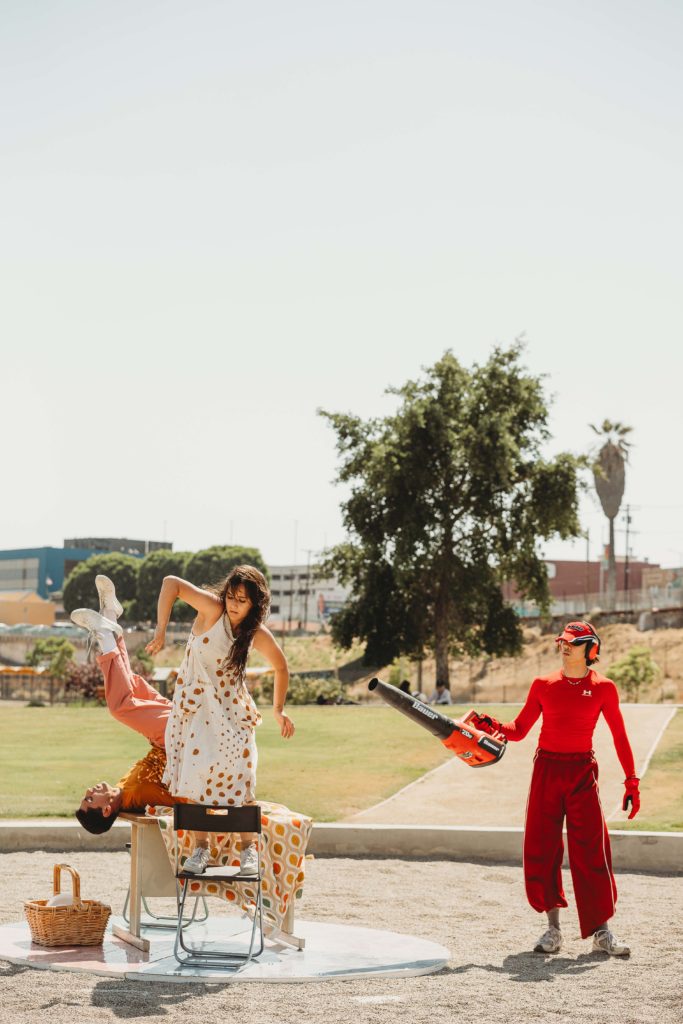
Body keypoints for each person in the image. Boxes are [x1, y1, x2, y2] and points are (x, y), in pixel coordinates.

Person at [472, 621, 640, 957]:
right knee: (543, 849)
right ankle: (553, 931)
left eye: (573, 643)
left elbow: (620, 736)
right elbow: (518, 730)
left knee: (592, 852)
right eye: (562, 642)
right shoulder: (542, 684)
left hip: (581, 773)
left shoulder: (604, 688)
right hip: (547, 770)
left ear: (591, 649)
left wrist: (631, 781)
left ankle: (601, 932)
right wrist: (491, 725)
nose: (564, 647)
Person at [145, 565, 294, 875]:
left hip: (233, 712)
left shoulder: (253, 632)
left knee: (243, 777)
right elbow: (170, 583)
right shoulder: (213, 610)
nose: (234, 604)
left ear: (255, 603)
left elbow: (281, 666)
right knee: (195, 777)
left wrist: (279, 709)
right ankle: (201, 850)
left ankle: (247, 850)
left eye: (242, 599)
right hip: (197, 709)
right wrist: (161, 630)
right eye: (231, 596)